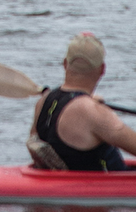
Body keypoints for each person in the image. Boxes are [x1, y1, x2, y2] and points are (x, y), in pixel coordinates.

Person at [27, 33, 136, 172]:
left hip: (61, 182)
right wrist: (94, 107)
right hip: (102, 188)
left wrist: (89, 102)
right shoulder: (94, 113)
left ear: (65, 64)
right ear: (102, 69)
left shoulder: (43, 102)